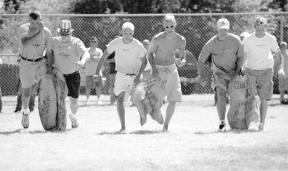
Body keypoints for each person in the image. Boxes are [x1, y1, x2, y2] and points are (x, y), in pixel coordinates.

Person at [95, 22, 147, 132]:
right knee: (119, 100)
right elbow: (104, 56)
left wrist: (138, 76)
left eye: (130, 33)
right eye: (125, 33)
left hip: (135, 76)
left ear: (133, 33)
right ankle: (123, 127)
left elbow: (144, 61)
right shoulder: (115, 43)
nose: (128, 36)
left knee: (136, 99)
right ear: (122, 32)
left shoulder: (138, 45)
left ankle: (142, 115)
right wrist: (97, 71)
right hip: (121, 75)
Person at [197, 18, 244, 131]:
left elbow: (241, 56)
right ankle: (222, 123)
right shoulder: (211, 43)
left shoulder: (236, 40)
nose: (223, 31)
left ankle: (236, 120)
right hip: (219, 74)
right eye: (221, 29)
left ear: (228, 29)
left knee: (236, 98)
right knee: (221, 96)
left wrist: (238, 71)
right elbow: (200, 60)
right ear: (217, 29)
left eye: (225, 29)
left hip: (234, 72)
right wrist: (202, 75)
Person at [146, 14, 187, 131]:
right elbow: (149, 54)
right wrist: (154, 68)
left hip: (172, 70)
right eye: (167, 26)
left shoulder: (181, 39)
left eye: (172, 26)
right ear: (163, 25)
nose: (169, 29)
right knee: (157, 100)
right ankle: (156, 113)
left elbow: (182, 57)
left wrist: (181, 62)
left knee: (173, 99)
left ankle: (166, 126)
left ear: (175, 25)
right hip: (158, 69)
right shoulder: (157, 38)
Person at [48, 19, 90, 128]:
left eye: (67, 33)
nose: (64, 36)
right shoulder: (54, 41)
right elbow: (45, 51)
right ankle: (58, 120)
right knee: (58, 99)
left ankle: (73, 116)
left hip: (73, 75)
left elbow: (86, 53)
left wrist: (82, 61)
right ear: (59, 32)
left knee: (74, 100)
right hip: (59, 75)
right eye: (63, 33)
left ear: (71, 32)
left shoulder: (76, 42)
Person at [243, 16, 279, 131]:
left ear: (265, 26)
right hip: (250, 70)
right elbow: (243, 55)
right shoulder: (248, 39)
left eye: (262, 26)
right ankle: (252, 121)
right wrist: (240, 68)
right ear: (255, 26)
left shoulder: (271, 38)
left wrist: (277, 67)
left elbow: (277, 53)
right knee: (251, 97)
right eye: (258, 26)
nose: (260, 29)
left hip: (266, 71)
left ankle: (262, 123)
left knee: (264, 98)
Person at [18, 11, 52, 129]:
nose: (37, 23)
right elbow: (24, 41)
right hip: (26, 63)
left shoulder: (46, 31)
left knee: (46, 85)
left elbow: (49, 51)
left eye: (38, 20)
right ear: (30, 20)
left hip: (40, 62)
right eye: (33, 21)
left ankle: (49, 113)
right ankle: (26, 112)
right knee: (26, 91)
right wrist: (37, 31)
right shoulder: (24, 28)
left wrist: (49, 66)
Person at [82, 36, 103, 105]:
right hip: (89, 71)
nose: (93, 43)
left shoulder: (99, 50)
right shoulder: (86, 50)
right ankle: (87, 100)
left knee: (98, 86)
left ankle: (98, 100)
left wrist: (92, 57)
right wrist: (95, 58)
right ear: (90, 43)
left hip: (97, 72)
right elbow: (85, 59)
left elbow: (100, 59)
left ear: (97, 43)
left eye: (95, 42)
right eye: (92, 41)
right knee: (88, 87)